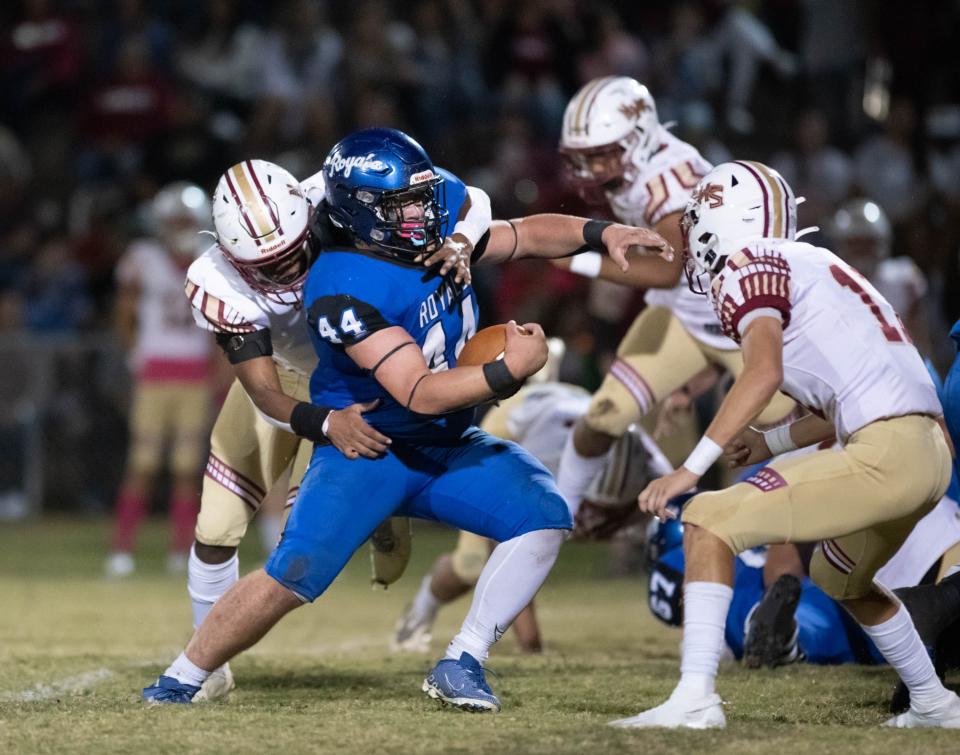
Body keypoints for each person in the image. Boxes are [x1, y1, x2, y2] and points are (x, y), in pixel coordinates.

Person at [142, 127, 670, 711]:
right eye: (403, 206)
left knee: (545, 515)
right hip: (372, 441)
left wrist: (601, 233)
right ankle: (182, 677)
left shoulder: (414, 228)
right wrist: (505, 373)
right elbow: (416, 391)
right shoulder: (341, 287)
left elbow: (519, 234)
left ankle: (462, 660)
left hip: (446, 438)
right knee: (293, 570)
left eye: (418, 200)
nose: (422, 212)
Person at [621, 160, 959, 729]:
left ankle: (695, 700)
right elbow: (845, 400)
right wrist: (769, 440)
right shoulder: (817, 263)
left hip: (887, 450)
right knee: (837, 575)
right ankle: (934, 703)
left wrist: (690, 468)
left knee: (705, 515)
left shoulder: (748, 262)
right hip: (927, 451)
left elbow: (762, 372)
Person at [181, 157, 490, 700]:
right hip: (285, 379)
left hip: (354, 375)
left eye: (294, 250)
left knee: (313, 535)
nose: (286, 271)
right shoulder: (215, 282)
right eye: (266, 265)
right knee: (215, 526)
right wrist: (327, 424)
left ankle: (382, 510)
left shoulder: (339, 188)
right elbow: (264, 393)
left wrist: (463, 240)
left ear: (308, 213)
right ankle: (207, 663)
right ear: (228, 254)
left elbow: (473, 197)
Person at [554, 76, 794, 520]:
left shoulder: (667, 180)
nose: (590, 170)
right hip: (685, 316)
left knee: (783, 438)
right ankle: (555, 518)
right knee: (603, 418)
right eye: (583, 158)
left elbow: (666, 269)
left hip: (741, 320)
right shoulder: (636, 172)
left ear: (639, 138)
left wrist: (576, 260)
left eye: (601, 154)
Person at [392, 355, 672, 654]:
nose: (599, 517)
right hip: (513, 426)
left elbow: (683, 502)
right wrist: (531, 645)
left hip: (565, 407)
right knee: (473, 563)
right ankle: (419, 612)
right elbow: (503, 542)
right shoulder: (545, 455)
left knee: (656, 523)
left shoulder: (645, 455)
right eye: (598, 507)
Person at [105, 182, 213, 578]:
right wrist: (134, 352)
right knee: (143, 464)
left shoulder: (209, 258)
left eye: (186, 220)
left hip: (194, 375)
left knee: (186, 468)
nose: (180, 226)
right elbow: (124, 310)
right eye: (175, 220)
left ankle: (180, 550)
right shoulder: (144, 258)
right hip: (154, 373)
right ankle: (121, 549)